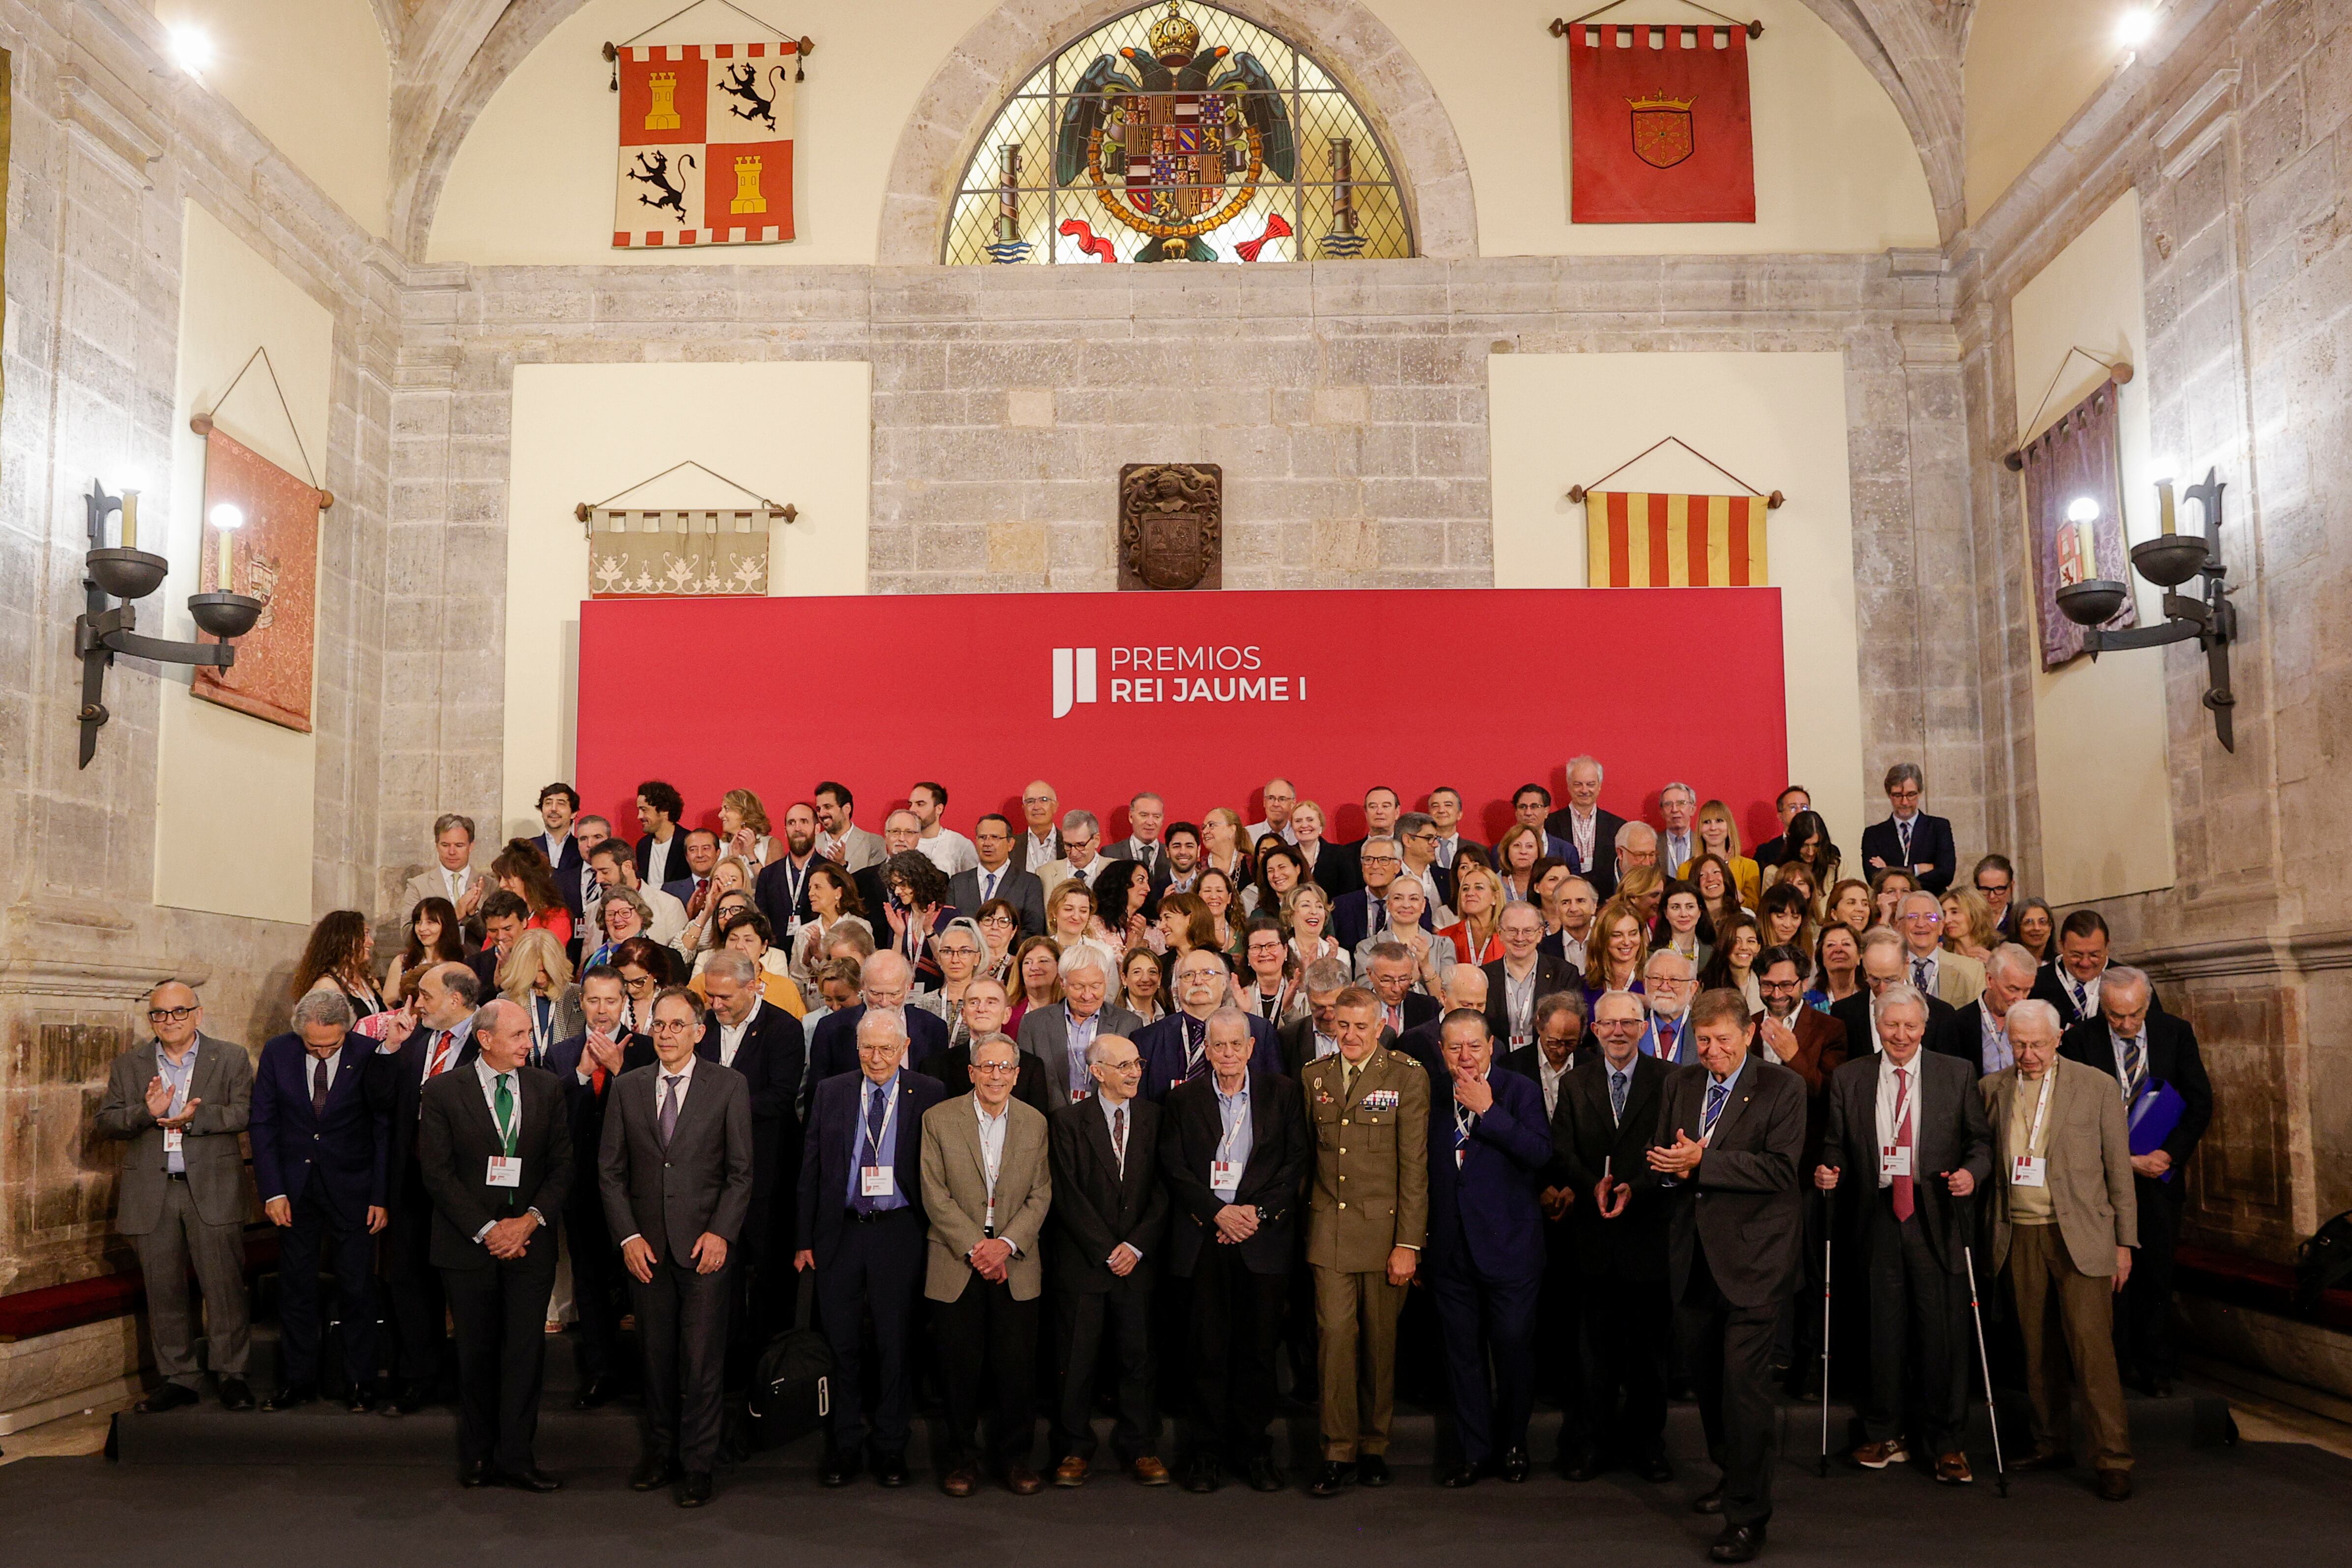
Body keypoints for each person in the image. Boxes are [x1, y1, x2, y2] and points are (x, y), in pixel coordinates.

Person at [1645, 989, 1807, 1565]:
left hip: (1755, 1264)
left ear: (1748, 1035)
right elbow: (1668, 1151)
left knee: (1743, 1393)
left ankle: (1747, 1516)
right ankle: (1729, 1471)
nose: (1710, 1051)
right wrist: (1664, 1169)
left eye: (1721, 1041)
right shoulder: (1681, 1083)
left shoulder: (1782, 1088)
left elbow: (1782, 1169)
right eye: (1703, 1041)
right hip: (1692, 1259)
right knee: (1709, 1387)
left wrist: (1701, 1163)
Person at [1814, 983, 1992, 1484]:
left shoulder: (1955, 1074)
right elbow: (1836, 1144)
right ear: (1877, 1025)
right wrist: (1829, 1168)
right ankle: (1884, 1433)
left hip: (1934, 1215)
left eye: (1910, 1025)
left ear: (1924, 1027)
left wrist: (1970, 1175)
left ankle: (1947, 1443)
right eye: (1890, 1025)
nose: (1900, 1035)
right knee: (1881, 1333)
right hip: (1876, 1218)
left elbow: (1979, 1143)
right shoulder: (1850, 1078)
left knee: (1942, 1337)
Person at [598, 986, 754, 1507]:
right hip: (646, 1251)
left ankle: (699, 1464)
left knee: (701, 1362)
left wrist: (722, 1233)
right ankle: (661, 1454)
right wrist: (628, 1236)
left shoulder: (729, 1086)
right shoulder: (629, 1087)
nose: (665, 1034)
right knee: (656, 1358)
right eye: (659, 1025)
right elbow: (610, 1172)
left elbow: (740, 1174)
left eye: (676, 1025)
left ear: (698, 1032)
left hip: (705, 1250)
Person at [1981, 999, 2138, 1500]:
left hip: (2084, 1237)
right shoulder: (1992, 1090)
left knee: (2092, 1352)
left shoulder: (2095, 1087)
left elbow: (2119, 1171)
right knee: (2037, 1348)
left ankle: (2112, 1457)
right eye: (2018, 1044)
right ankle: (2051, 1441)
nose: (2027, 1054)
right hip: (2019, 1234)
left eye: (2037, 1045)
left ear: (2058, 1039)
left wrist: (2124, 1243)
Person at [418, 997, 571, 1492]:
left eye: (529, 1033)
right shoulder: (442, 1091)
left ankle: (518, 1458)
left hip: (531, 1244)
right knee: (477, 1353)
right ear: (485, 1040)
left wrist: (527, 1222)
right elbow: (437, 1174)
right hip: (467, 1247)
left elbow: (562, 1166)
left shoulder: (547, 1087)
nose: (529, 1043)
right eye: (519, 1035)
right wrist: (489, 1230)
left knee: (525, 1354)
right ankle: (479, 1456)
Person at [1160, 1007, 1311, 1493]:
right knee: (1206, 1351)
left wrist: (1255, 1216)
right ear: (1207, 1050)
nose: (1226, 1054)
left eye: (1235, 1045)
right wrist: (1217, 1214)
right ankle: (1204, 1451)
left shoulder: (1283, 1093)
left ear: (1250, 1048)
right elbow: (1174, 1166)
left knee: (1258, 1352)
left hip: (1262, 1242)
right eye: (1217, 1046)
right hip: (1204, 1240)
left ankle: (1253, 1448)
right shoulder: (1184, 1100)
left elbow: (1294, 1162)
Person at [796, 1009, 949, 1487]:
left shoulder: (928, 1093)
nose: (876, 1057)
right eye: (867, 1048)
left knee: (894, 1344)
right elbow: (812, 1169)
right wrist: (803, 1239)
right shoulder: (832, 1091)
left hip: (899, 1232)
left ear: (904, 1048)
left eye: (886, 1048)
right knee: (841, 1344)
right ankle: (843, 1444)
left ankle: (890, 1447)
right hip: (840, 1232)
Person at [99, 981, 256, 1414]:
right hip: (153, 1191)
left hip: (212, 1187)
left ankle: (232, 1373)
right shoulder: (129, 1065)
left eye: (179, 1012)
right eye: (159, 1014)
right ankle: (179, 1376)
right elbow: (107, 1121)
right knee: (163, 1287)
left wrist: (193, 1118)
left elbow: (244, 1112)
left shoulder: (230, 1057)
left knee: (223, 1286)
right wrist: (145, 1113)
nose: (169, 1021)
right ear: (150, 1019)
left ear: (198, 1014)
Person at [1301, 988, 1430, 1497]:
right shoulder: (1315, 1077)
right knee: (1335, 1341)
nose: (1350, 1036)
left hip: (1384, 1236)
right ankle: (1337, 1450)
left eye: (1361, 1027)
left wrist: (1409, 1244)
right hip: (1329, 1231)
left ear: (1380, 1027)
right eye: (1342, 1026)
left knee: (1379, 1343)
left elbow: (1414, 1167)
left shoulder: (1406, 1075)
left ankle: (1374, 1445)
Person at [2059, 966, 2210, 1398]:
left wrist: (2168, 1154)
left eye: (2133, 1015)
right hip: (2103, 1179)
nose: (2125, 1024)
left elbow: (2199, 1101)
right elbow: (2071, 1118)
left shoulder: (2175, 1033)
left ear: (2147, 1003)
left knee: (2156, 1272)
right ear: (2101, 1007)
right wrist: (2123, 1160)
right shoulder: (2079, 1041)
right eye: (2114, 1016)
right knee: (2108, 1275)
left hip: (2158, 1176)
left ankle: (2157, 1366)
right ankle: (2115, 1364)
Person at [921, 1033, 1054, 1497]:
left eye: (1005, 1068)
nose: (996, 1075)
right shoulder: (938, 1119)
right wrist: (978, 1247)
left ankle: (1015, 1459)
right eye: (987, 1067)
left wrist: (1006, 1245)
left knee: (1016, 1369)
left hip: (1016, 1262)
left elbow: (1042, 1194)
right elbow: (933, 1193)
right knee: (958, 1370)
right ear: (971, 1072)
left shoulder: (1036, 1122)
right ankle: (961, 1460)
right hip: (957, 1262)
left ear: (1016, 1075)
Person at [1424, 1009, 1552, 1486]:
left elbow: (1540, 1153)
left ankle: (1515, 1444)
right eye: (1454, 1047)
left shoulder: (1519, 1091)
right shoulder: (1432, 1095)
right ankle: (1474, 1451)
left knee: (1514, 1350)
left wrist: (1488, 1111)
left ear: (1492, 1046)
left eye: (1473, 1046)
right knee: (1463, 1357)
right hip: (1450, 1250)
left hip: (1510, 1250)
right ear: (1441, 1051)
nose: (1464, 1057)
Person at [1552, 990, 1673, 1483]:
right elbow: (1562, 1149)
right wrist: (1591, 1185)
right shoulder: (1575, 1083)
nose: (1619, 1031)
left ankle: (1648, 1446)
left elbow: (1672, 1149)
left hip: (1648, 1235)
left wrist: (1635, 1188)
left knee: (1649, 1357)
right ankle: (1592, 1445)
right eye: (1609, 1024)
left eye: (1629, 1022)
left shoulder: (1669, 1081)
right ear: (1594, 1031)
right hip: (1594, 1239)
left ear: (1643, 1028)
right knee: (1593, 1357)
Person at [251, 990, 389, 1413]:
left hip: (354, 1188)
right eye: (315, 1045)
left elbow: (384, 1126)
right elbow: (263, 1121)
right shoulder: (278, 1052)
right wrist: (273, 1189)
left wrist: (380, 1195)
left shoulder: (369, 1052)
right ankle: (298, 1380)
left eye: (333, 1043)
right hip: (296, 1189)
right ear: (300, 1034)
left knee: (357, 1287)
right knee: (295, 1287)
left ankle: (359, 1382)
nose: (324, 1051)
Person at [1046, 1032, 1169, 1486]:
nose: (1135, 1072)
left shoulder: (1157, 1118)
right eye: (1124, 1065)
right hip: (1084, 1263)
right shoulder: (1066, 1122)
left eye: (1137, 1063)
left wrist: (1134, 1246)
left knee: (1138, 1359)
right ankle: (1073, 1449)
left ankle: (1141, 1446)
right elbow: (1067, 1194)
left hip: (1138, 1262)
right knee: (1076, 1361)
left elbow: (1163, 1189)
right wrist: (1105, 1249)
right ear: (1097, 1072)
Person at [365, 961, 484, 1412]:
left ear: (456, 999)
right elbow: (380, 1100)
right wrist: (390, 1047)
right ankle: (420, 1376)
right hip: (412, 1178)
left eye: (427, 995)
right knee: (409, 1280)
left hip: (464, 1183)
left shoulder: (487, 1037)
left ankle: (473, 1383)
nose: (417, 1004)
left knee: (465, 1284)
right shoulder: (414, 1041)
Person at [544, 966, 653, 1409]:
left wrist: (620, 1069)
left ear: (624, 1002)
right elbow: (550, 1121)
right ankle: (600, 1371)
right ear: (581, 1003)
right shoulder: (561, 1054)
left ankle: (650, 1373)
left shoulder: (647, 1050)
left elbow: (655, 1117)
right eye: (594, 1000)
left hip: (638, 1187)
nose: (603, 1010)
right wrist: (581, 1075)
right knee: (588, 1280)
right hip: (583, 1185)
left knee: (641, 1280)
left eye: (611, 1000)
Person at [699, 951, 807, 1363]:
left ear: (752, 985)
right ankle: (723, 1361)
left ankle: (768, 1365)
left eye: (724, 996)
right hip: (711, 1171)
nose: (716, 1004)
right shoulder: (703, 1027)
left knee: (766, 1272)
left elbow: (780, 1098)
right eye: (710, 995)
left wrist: (716, 1109)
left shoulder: (783, 1028)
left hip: (766, 1171)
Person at [1138, 946, 1278, 1100]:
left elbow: (1275, 1097)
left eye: (1208, 973)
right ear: (1176, 987)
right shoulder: (1147, 1040)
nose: (1198, 981)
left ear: (1225, 983)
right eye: (1188, 975)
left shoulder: (1259, 1031)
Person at [1019, 944, 1144, 1111]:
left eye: (1095, 986)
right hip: (1047, 1120)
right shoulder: (1033, 1024)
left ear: (1107, 980)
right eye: (1078, 987)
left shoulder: (1128, 1024)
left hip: (1104, 1122)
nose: (1087, 996)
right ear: (1063, 983)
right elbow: (1025, 1085)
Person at [805, 951, 951, 1088]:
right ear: (863, 985)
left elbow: (936, 1093)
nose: (884, 1002)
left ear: (908, 987)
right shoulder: (831, 1028)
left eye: (894, 994)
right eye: (875, 993)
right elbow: (818, 1094)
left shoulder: (934, 1029)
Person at [1831, 926, 1965, 1062]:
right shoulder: (1844, 1013)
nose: (1883, 989)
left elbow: (1949, 1074)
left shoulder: (1940, 1014)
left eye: (1890, 980)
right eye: (1875, 979)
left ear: (1907, 963)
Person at [2031, 908, 2163, 1028]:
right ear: (2062, 946)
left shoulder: (2132, 983)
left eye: (2094, 955)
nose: (2085, 963)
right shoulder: (2036, 982)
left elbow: (2156, 1029)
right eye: (2076, 955)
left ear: (2107, 947)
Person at [1484, 901, 1576, 1050]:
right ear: (1500, 933)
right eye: (1512, 931)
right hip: (1498, 1060)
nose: (1520, 938)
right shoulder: (1483, 977)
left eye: (1528, 931)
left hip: (1548, 1058)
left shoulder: (1564, 974)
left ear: (1540, 934)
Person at [1860, 763, 1954, 893]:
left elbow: (1946, 874)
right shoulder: (1874, 834)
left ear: (1920, 792)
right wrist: (1917, 870)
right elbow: (1874, 879)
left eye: (1911, 795)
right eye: (1898, 795)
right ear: (1889, 795)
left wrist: (1889, 870)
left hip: (1931, 904)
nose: (1905, 802)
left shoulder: (1939, 827)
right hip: (1892, 907)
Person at [951, 812, 1047, 938]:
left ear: (1010, 844)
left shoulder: (1029, 883)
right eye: (982, 837)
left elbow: (1033, 931)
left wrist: (1000, 948)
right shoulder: (958, 883)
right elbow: (950, 927)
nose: (987, 843)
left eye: (995, 837)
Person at [1545, 755, 1627, 897]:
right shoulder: (1549, 824)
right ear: (1569, 786)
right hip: (1561, 899)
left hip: (1606, 901)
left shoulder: (1619, 827)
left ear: (1600, 786)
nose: (1584, 790)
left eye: (1591, 785)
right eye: (1578, 784)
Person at [1355, 878, 1455, 995]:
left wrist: (1426, 967)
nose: (1406, 905)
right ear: (1388, 904)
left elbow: (1448, 999)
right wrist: (1410, 982)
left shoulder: (1443, 946)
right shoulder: (1367, 948)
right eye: (1398, 898)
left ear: (1423, 906)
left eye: (1414, 899)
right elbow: (1365, 997)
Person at [499, 929, 581, 1066]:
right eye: (533, 972)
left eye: (545, 971)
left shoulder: (576, 996)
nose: (539, 978)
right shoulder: (507, 1000)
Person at [1955, 942, 2037, 1077]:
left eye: (2027, 990)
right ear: (1990, 980)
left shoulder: (2035, 1023)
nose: (2021, 999)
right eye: (2013, 989)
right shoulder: (1958, 1024)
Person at [590, 839, 687, 950]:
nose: (598, 880)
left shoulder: (669, 906)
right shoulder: (592, 909)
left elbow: (680, 957)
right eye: (595, 873)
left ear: (627, 866)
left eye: (605, 872)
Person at [787, 864, 872, 990]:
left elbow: (862, 974)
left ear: (838, 892)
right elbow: (794, 982)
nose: (811, 893)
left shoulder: (860, 927)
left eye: (818, 887)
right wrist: (806, 962)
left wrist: (822, 959)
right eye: (810, 888)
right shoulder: (804, 932)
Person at [292, 909, 387, 1019]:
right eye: (365, 934)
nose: (371, 942)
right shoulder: (327, 986)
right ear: (345, 939)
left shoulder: (368, 981)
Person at [751, 800, 826, 939]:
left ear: (817, 829)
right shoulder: (768, 875)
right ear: (785, 831)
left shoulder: (830, 871)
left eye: (804, 822)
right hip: (776, 954)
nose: (797, 828)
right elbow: (761, 922)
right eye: (792, 823)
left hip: (818, 953)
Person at [1897, 890, 1984, 1006]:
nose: (1921, 924)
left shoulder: (1972, 970)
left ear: (1941, 927)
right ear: (1898, 926)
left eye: (1930, 917)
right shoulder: (1887, 968)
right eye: (1913, 917)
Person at [401, 812, 487, 925]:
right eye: (445, 845)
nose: (452, 852)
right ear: (437, 846)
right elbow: (407, 934)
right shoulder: (418, 886)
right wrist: (455, 915)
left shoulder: (491, 886)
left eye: (459, 846)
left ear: (471, 846)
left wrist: (473, 913)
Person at [495, 838, 574, 950]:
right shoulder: (502, 915)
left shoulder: (556, 916)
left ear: (528, 879)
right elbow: (484, 957)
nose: (502, 885)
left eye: (508, 878)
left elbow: (548, 958)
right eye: (500, 878)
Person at [1333, 835, 1408, 952]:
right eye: (1368, 860)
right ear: (1362, 866)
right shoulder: (1341, 906)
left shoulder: (1413, 905)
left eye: (1384, 860)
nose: (1375, 866)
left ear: (1398, 866)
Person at [387, 896, 464, 1006]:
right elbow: (388, 1004)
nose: (422, 929)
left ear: (446, 925)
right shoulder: (402, 962)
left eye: (430, 922)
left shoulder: (460, 965)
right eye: (418, 922)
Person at [1362, 941, 1441, 1042]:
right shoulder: (1358, 1010)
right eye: (1387, 980)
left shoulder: (1428, 1007)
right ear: (1370, 974)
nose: (1397, 989)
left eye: (1403, 979)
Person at [534, 783, 588, 920]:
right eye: (548, 803)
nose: (553, 809)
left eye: (561, 804)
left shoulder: (583, 849)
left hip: (573, 926)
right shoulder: (526, 849)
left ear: (574, 813)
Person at [1695, 799, 1762, 909]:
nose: (1713, 828)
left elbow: (1755, 908)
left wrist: (1737, 897)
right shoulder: (1686, 868)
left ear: (1729, 825)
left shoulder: (1749, 867)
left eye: (1719, 821)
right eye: (1707, 822)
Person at [1033, 807, 1116, 894]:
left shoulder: (1117, 872)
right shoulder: (1045, 874)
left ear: (1096, 840)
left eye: (1081, 845)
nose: (1074, 853)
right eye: (1068, 845)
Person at [1581, 898, 1648, 1005]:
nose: (1627, 942)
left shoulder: (1655, 980)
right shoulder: (1585, 985)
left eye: (1633, 934)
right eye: (1617, 935)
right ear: (1602, 939)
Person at [1437, 862, 1505, 967]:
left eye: (1479, 888)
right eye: (1465, 889)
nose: (1470, 893)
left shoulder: (1509, 937)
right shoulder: (1445, 937)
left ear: (1495, 898)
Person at [1239, 916, 1305, 1023]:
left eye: (1272, 945)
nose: (1264, 953)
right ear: (1247, 956)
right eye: (1256, 947)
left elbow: (1308, 1037)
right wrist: (1244, 1013)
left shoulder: (1303, 995)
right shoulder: (1239, 997)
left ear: (1286, 950)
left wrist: (1289, 1010)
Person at [1638, 949, 1699, 1065]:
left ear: (1693, 988)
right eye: (1656, 979)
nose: (1665, 987)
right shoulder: (1626, 1028)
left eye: (1674, 980)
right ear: (1645, 983)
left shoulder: (1705, 1030)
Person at [905, 780, 977, 876]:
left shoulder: (960, 845)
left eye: (920, 804)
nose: (912, 810)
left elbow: (973, 884)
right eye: (911, 804)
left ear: (939, 809)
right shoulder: (903, 841)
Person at [813, 780, 886, 872]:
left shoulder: (873, 843)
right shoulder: (812, 843)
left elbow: (877, 882)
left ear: (847, 809)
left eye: (828, 807)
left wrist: (844, 866)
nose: (822, 814)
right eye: (819, 809)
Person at [584, 888, 653, 971]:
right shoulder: (593, 961)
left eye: (625, 913)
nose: (617, 919)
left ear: (642, 916)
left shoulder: (660, 957)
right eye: (611, 914)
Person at [1007, 935, 1064, 1034]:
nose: (1034, 968)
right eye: (1027, 962)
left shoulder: (1071, 1012)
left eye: (1043, 961)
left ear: (1060, 966)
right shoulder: (1007, 1015)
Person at [1653, 879, 1712, 970]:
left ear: (1700, 911)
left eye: (1690, 907)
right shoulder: (1653, 955)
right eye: (1676, 907)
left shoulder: (1714, 953)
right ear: (1666, 913)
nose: (1684, 914)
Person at [1009, 779, 1064, 873]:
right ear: (1024, 808)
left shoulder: (1069, 844)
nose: (1037, 807)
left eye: (1044, 800)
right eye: (1030, 801)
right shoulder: (1010, 846)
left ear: (1055, 806)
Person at [1752, 786, 1810, 870]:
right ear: (1780, 816)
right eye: (1793, 808)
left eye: (1804, 807)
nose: (1799, 812)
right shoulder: (1766, 852)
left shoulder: (1825, 849)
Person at [1115, 790, 1169, 876]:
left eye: (1156, 817)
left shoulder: (1171, 854)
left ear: (1162, 819)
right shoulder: (1111, 853)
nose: (1150, 822)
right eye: (1144, 815)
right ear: (1131, 817)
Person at [1810, 923, 1862, 1011]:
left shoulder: (1871, 998)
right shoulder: (1808, 1003)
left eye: (1846, 944)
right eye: (1831, 945)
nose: (1838, 950)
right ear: (1821, 957)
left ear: (1859, 956)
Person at [1940, 887, 1997, 965]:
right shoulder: (1941, 957)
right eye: (1944, 914)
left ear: (1975, 913)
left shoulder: (1999, 954)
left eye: (1955, 912)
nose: (1947, 920)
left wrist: (1995, 966)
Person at [1656, 782, 1699, 877]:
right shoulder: (1653, 844)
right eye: (1668, 804)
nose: (1675, 809)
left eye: (1681, 803)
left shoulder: (1703, 842)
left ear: (1692, 809)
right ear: (1662, 812)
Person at [1971, 854, 2018, 937]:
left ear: (2012, 887)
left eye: (2000, 889)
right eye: (1985, 889)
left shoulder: (2019, 921)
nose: (1992, 896)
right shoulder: (1968, 921)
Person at [1245, 776, 1299, 846]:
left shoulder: (1299, 835)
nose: (1276, 804)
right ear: (1264, 802)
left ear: (1293, 804)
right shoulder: (1248, 835)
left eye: (1282, 799)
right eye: (1271, 798)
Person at [1121, 946, 1167, 1025]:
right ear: (1124, 979)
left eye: (1152, 972)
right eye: (1137, 972)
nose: (1145, 979)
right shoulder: (1114, 1020)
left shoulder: (1170, 1017)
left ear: (1160, 978)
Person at [2015, 897, 2057, 966]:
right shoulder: (2006, 963)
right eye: (2029, 922)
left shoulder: (2060, 964)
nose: (2037, 928)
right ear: (2017, 928)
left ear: (2051, 927)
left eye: (2042, 922)